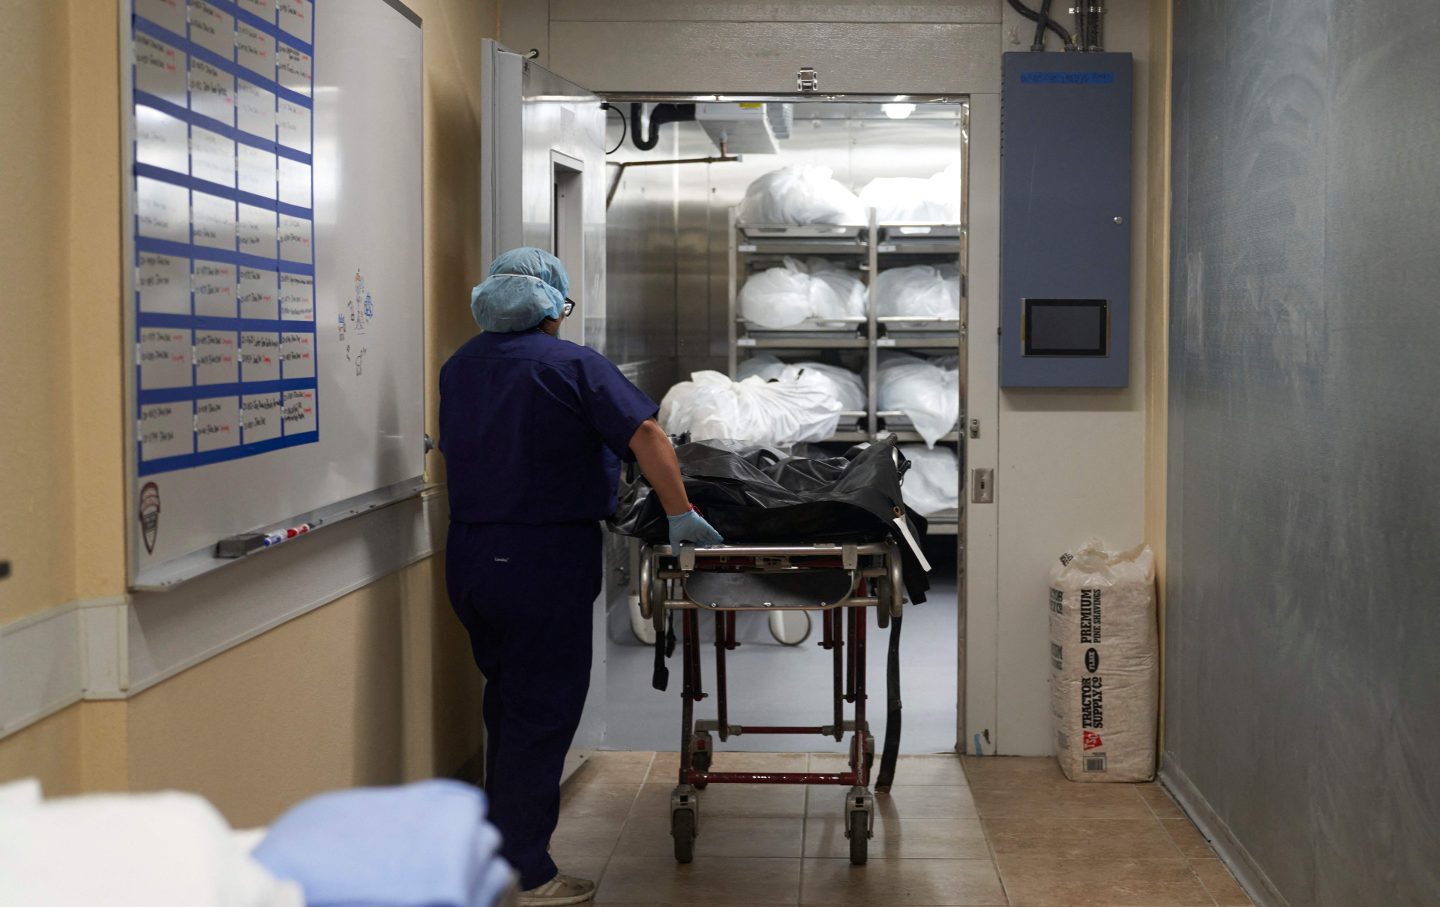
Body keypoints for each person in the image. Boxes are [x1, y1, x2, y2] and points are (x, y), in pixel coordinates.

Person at [439, 248, 722, 906]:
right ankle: (529, 873)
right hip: (541, 558)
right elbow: (648, 435)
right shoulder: (571, 364)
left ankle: (498, 847)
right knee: (541, 711)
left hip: (471, 556)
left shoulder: (460, 366)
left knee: (507, 704)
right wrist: (681, 513)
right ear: (551, 305)